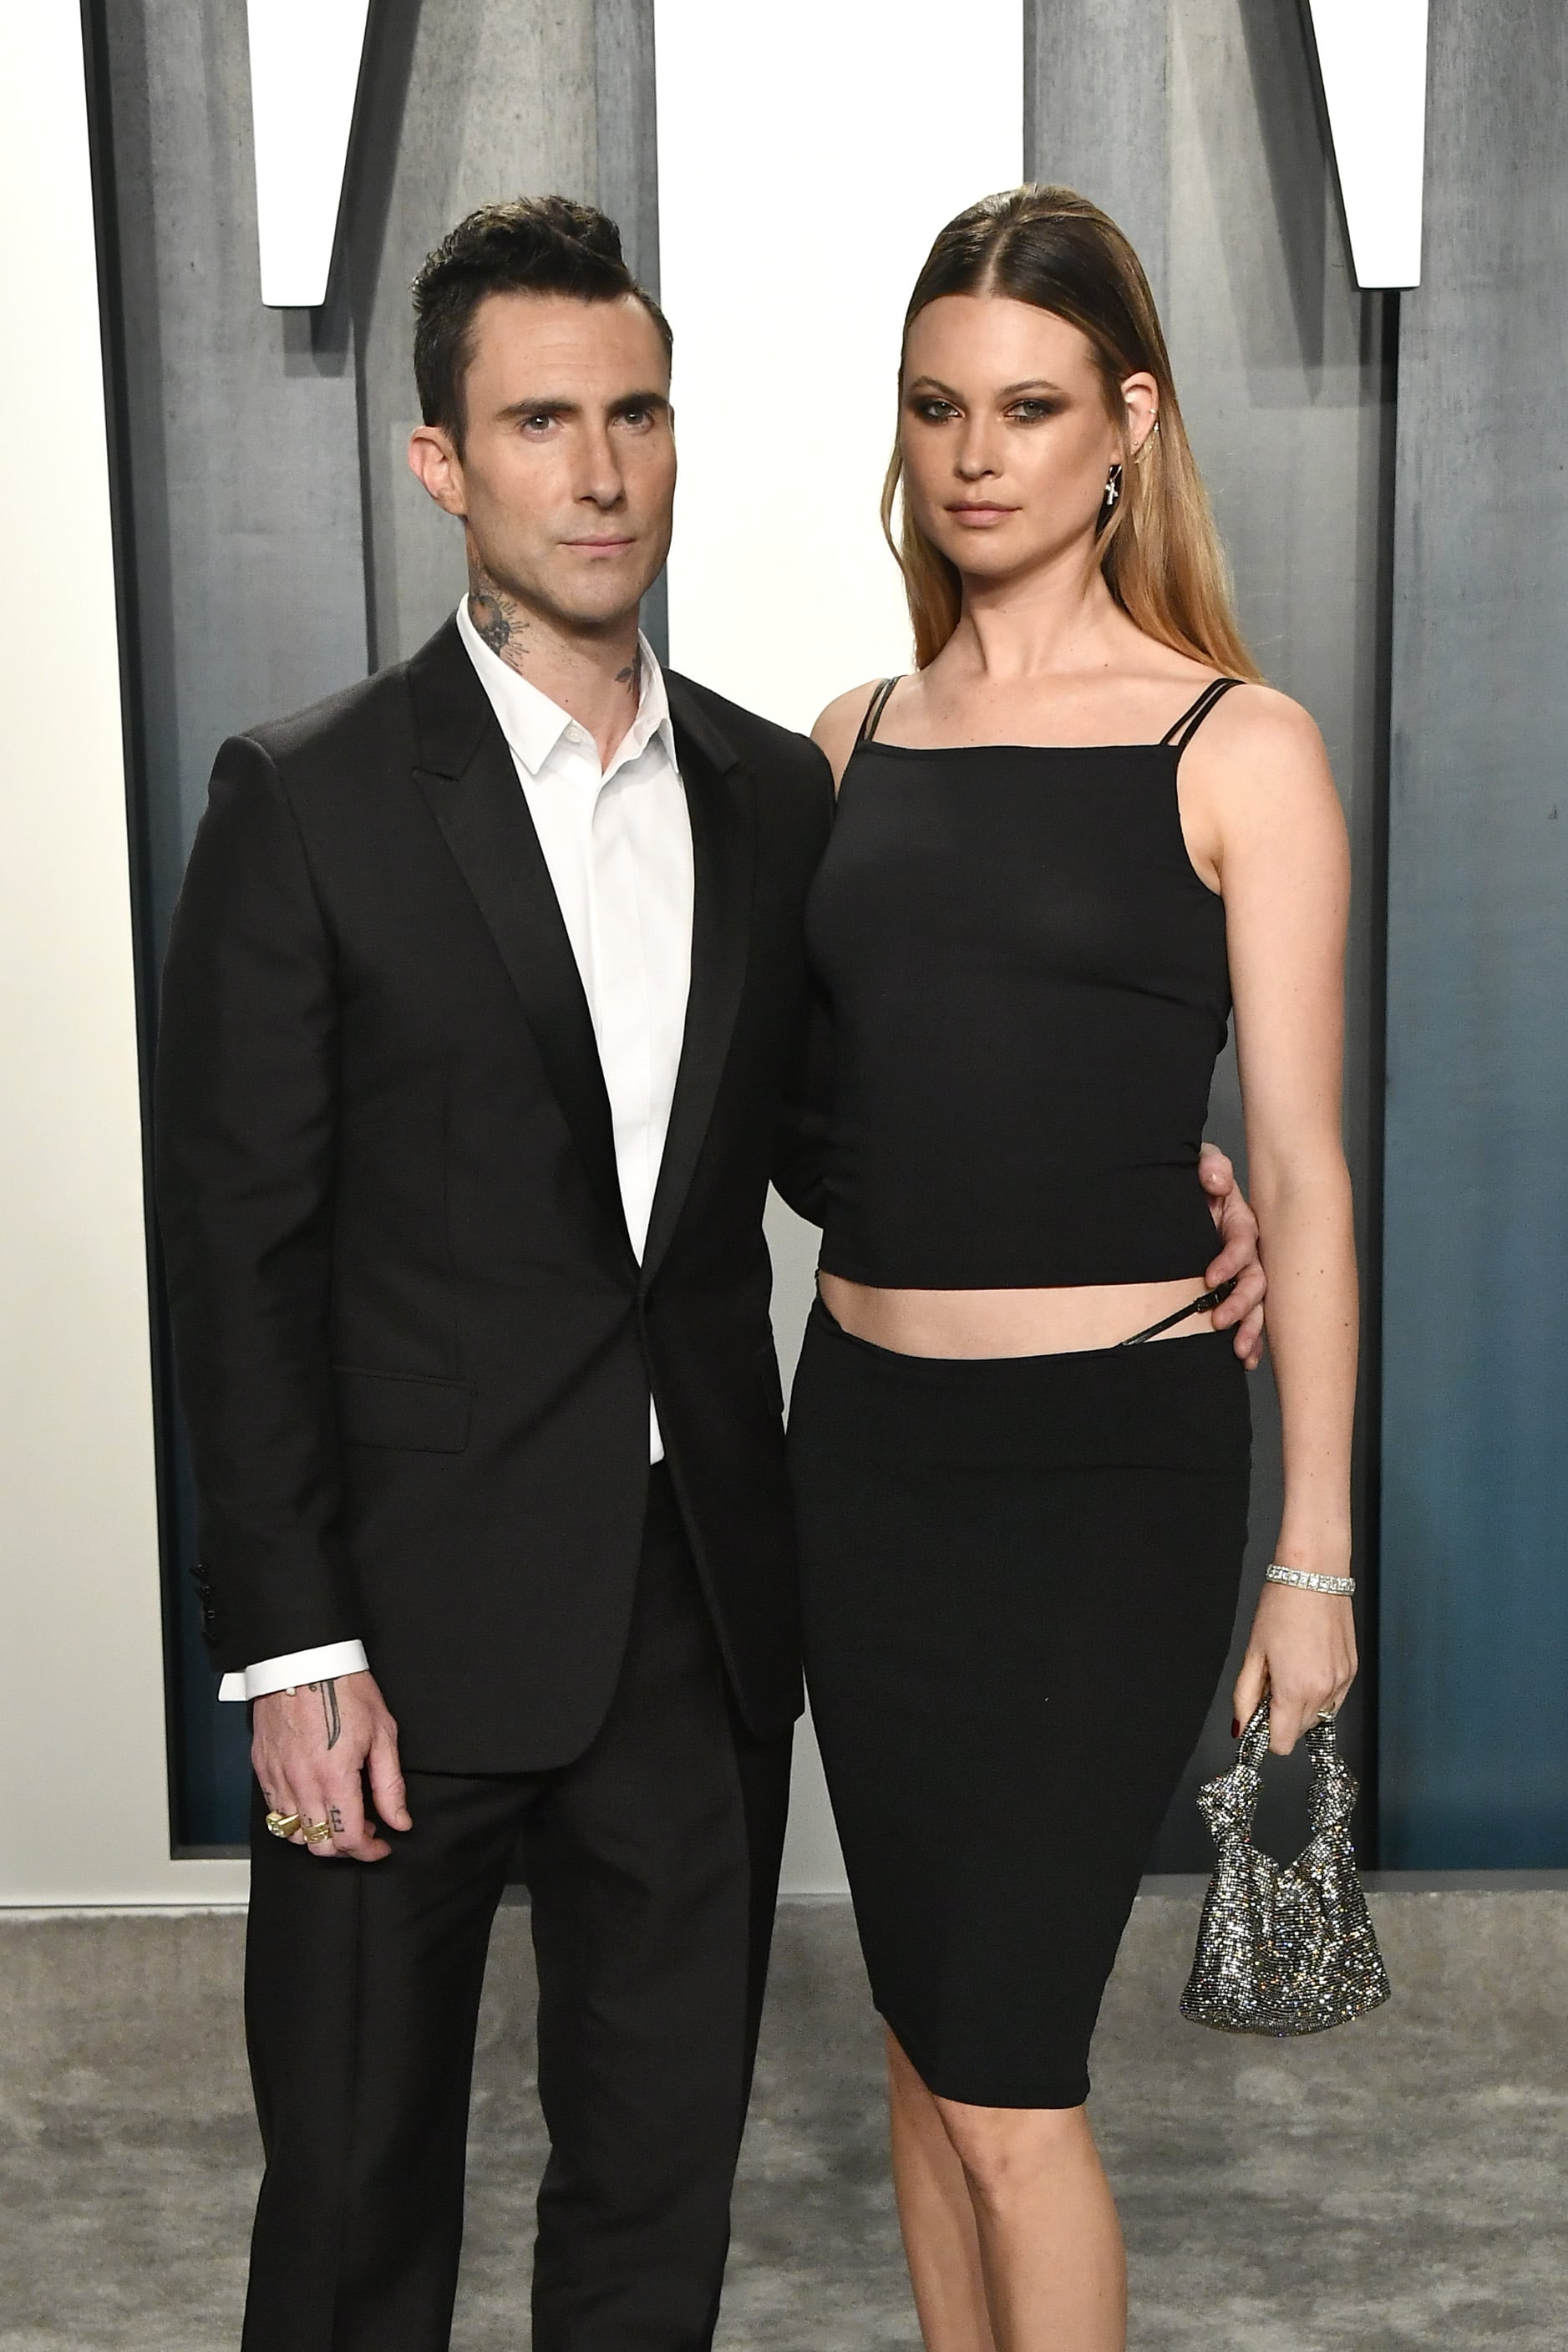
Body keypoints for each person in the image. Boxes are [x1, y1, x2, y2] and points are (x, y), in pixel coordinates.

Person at [155, 195, 1264, 2352]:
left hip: (704, 1617)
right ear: (441, 463)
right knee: (356, 2218)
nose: (600, 468)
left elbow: (866, 1148)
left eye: (637, 414)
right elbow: (236, 1238)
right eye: (542, 421)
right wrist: (295, 1641)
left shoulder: (780, 790)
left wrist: (1154, 1190)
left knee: (657, 2214)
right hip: (398, 1638)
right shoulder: (306, 804)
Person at [789, 185, 1358, 2352]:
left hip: (1102, 1480)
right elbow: (813, 1121)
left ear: (1128, 423)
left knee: (1014, 2075)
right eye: (939, 407)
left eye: (1028, 407)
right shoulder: (847, 743)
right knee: (928, 2060)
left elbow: (1296, 1169)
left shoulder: (1241, 749)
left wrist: (1313, 1565)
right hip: (858, 1460)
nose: (976, 453)